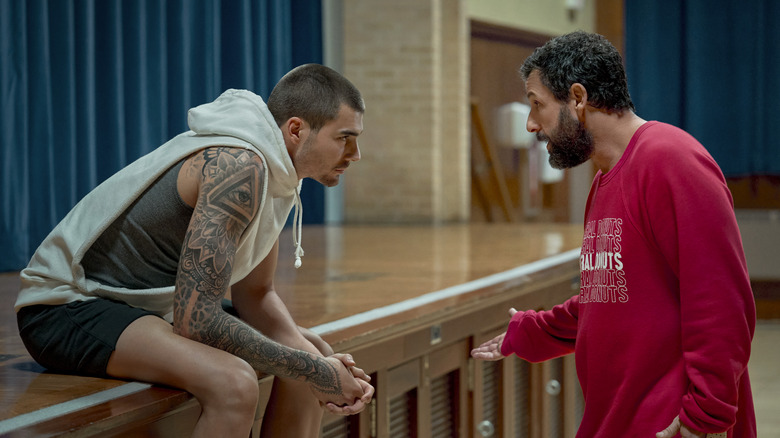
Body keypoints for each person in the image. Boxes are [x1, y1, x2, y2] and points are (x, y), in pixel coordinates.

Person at [15, 64, 374, 437]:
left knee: (312, 349)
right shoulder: (238, 166)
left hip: (145, 309)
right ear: (296, 130)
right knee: (234, 382)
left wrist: (315, 363)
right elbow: (196, 320)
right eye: (344, 137)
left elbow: (256, 294)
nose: (356, 153)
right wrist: (314, 370)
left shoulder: (278, 172)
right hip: (66, 307)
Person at [471, 32, 755, 438]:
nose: (532, 124)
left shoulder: (670, 160)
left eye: (538, 105)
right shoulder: (605, 180)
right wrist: (533, 331)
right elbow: (611, 297)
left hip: (671, 424)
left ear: (578, 98)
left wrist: (705, 417)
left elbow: (723, 302)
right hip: (615, 419)